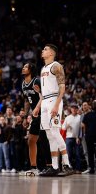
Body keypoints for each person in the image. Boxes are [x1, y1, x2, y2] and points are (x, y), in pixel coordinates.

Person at [34, 45, 74, 177]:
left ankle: (67, 165)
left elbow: (62, 87)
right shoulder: (43, 68)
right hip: (45, 100)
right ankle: (55, 166)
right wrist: (38, 105)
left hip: (54, 100)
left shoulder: (56, 66)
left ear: (51, 52)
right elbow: (45, 90)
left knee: (55, 132)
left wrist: (57, 105)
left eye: (45, 49)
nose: (42, 50)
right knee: (49, 135)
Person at [20, 62, 52, 176]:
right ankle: (33, 167)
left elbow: (44, 96)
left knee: (43, 139)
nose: (23, 68)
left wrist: (37, 107)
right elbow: (26, 101)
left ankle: (49, 166)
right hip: (35, 115)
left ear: (31, 69)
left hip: (44, 112)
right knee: (31, 140)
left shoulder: (37, 81)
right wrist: (25, 117)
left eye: (25, 67)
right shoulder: (23, 84)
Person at [82, 100, 96, 174]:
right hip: (90, 136)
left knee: (90, 153)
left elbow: (83, 125)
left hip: (89, 136)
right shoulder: (86, 114)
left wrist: (85, 134)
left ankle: (92, 169)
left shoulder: (87, 115)